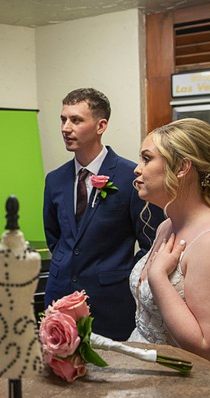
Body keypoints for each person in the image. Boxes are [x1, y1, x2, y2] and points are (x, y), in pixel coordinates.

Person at [129, 117, 210, 397]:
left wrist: (157, 278)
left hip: (192, 387)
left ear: (181, 167)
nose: (137, 169)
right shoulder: (167, 225)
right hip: (149, 370)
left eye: (146, 158)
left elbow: (209, 350)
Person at [43, 88, 163, 341]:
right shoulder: (54, 180)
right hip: (59, 295)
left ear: (101, 125)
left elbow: (151, 245)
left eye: (76, 120)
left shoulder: (132, 176)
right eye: (63, 119)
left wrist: (124, 276)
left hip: (110, 301)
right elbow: (54, 236)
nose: (66, 128)